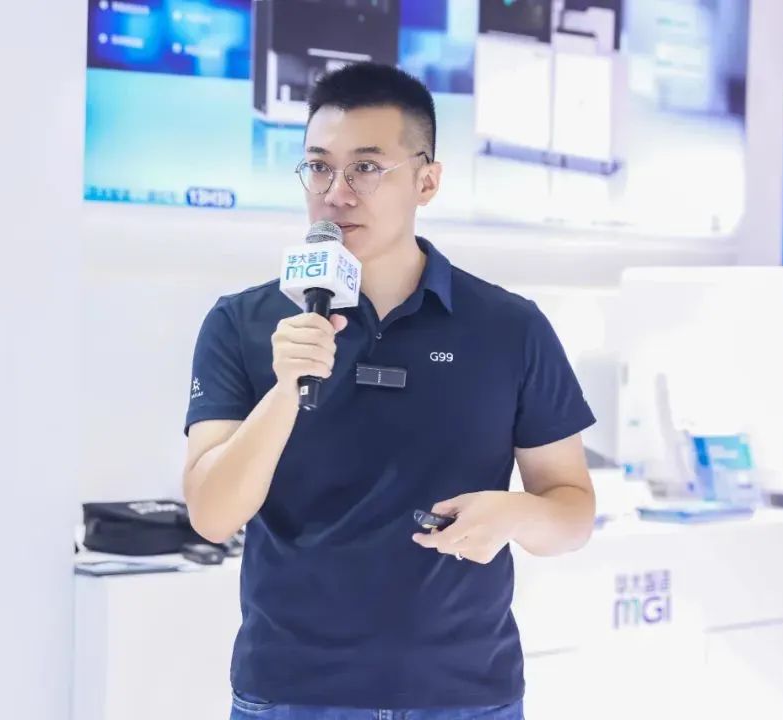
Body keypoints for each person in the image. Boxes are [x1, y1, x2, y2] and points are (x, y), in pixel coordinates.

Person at [183, 63, 596, 720]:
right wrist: (286, 388)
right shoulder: (243, 322)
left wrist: (513, 515)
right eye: (319, 167)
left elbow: (572, 511)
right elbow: (211, 514)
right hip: (292, 694)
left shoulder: (509, 327)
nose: (336, 193)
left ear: (426, 181)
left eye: (366, 168)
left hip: (466, 694)